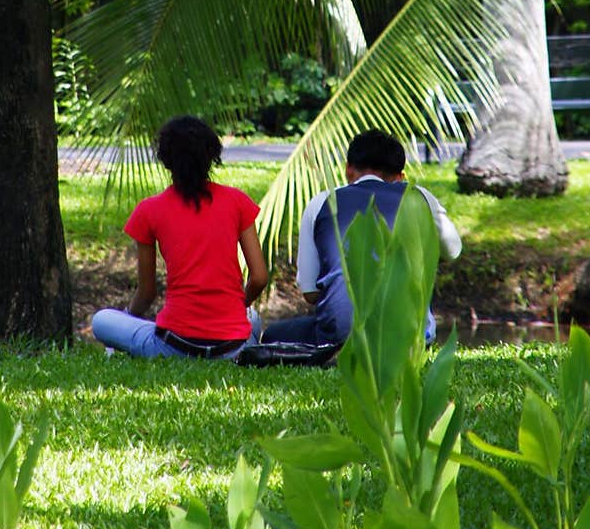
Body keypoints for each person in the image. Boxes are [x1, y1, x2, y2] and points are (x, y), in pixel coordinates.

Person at [261, 128, 461, 350]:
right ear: (400, 177)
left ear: (348, 169)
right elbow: (452, 251)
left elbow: (309, 292)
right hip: (410, 339)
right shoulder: (419, 197)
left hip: (338, 338)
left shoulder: (322, 203)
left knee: (272, 334)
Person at [91, 115, 269, 360]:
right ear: (212, 157)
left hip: (174, 346)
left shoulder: (148, 210)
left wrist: (129, 316)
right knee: (253, 318)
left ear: (166, 161)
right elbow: (259, 277)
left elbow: (147, 292)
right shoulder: (237, 201)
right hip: (231, 348)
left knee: (102, 320)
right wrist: (237, 309)